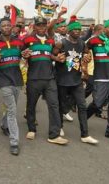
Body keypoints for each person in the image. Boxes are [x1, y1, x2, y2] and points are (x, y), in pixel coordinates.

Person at [23, 17, 68, 145]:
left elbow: (49, 55)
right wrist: (23, 54)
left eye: (44, 25)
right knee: (31, 105)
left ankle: (54, 135)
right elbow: (21, 52)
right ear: (35, 27)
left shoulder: (50, 40)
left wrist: (57, 58)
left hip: (49, 79)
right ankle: (31, 129)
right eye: (39, 25)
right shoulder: (27, 39)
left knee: (54, 105)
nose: (42, 28)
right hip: (34, 79)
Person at [54, 16, 98, 144]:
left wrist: (86, 58)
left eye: (79, 29)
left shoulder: (82, 43)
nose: (78, 31)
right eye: (75, 29)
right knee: (61, 105)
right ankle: (59, 127)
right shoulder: (61, 43)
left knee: (82, 106)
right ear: (69, 31)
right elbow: (53, 56)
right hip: (62, 80)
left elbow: (86, 53)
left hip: (77, 80)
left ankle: (85, 135)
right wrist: (58, 58)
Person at [0, 18, 24, 155]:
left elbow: (23, 54)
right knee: (13, 111)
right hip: (3, 80)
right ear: (0, 28)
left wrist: (25, 55)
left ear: (12, 27)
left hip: (17, 79)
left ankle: (4, 124)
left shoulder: (19, 42)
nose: (6, 28)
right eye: (3, 26)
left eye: (8, 25)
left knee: (11, 107)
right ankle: (14, 142)